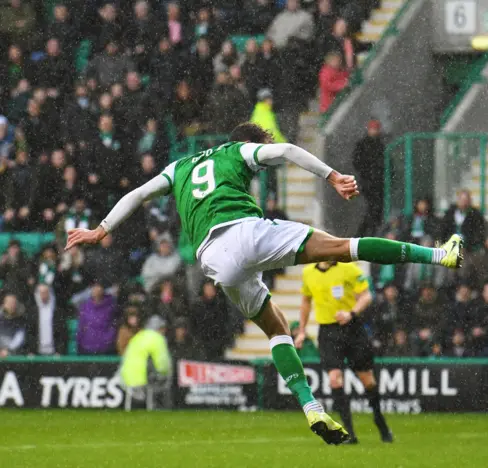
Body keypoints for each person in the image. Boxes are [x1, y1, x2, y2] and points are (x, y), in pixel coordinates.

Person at [65, 122, 462, 445]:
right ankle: (439, 255)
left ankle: (310, 407)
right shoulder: (239, 151)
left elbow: (137, 194)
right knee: (344, 247)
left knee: (276, 327)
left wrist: (101, 230)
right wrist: (333, 176)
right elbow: (287, 151)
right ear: (250, 143)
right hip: (245, 231)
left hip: (213, 260)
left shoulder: (178, 167)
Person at [297, 260, 393, 444]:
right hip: (327, 332)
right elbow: (305, 301)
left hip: (352, 328)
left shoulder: (349, 269)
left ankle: (379, 419)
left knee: (367, 379)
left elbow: (366, 296)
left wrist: (351, 313)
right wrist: (301, 330)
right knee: (334, 378)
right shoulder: (308, 272)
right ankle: (349, 432)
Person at [352, 119, 386, 237]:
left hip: (377, 183)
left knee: (375, 210)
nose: (374, 132)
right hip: (369, 183)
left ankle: (365, 234)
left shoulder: (379, 145)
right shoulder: (364, 145)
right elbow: (357, 162)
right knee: (373, 209)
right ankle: (365, 233)